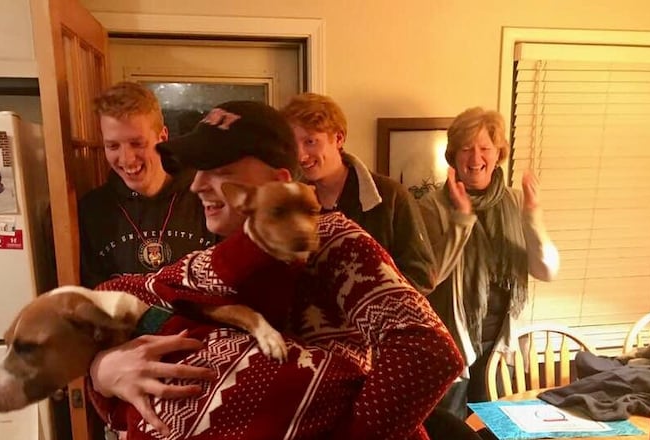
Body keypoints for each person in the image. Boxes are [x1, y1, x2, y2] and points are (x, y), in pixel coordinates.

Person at [86, 101, 464, 439]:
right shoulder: (215, 248)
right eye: (198, 170)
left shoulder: (330, 239)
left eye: (220, 169)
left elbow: (427, 350)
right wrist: (103, 370)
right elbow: (120, 294)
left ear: (279, 181)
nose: (198, 184)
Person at [418, 107, 560, 431]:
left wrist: (533, 216)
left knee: (497, 430)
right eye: (466, 148)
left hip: (501, 346)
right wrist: (461, 220)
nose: (476, 157)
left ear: (499, 154)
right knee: (449, 431)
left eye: (485, 148)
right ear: (453, 155)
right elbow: (428, 277)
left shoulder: (514, 202)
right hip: (453, 348)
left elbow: (547, 270)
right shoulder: (432, 206)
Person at [280, 93, 436, 295]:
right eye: (294, 145)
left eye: (310, 141)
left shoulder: (391, 196)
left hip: (378, 324)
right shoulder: (291, 202)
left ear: (338, 138)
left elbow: (422, 275)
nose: (300, 155)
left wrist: (364, 300)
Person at [78, 81, 216, 288]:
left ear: (162, 138)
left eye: (137, 143)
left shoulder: (206, 198)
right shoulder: (90, 210)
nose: (126, 159)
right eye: (113, 146)